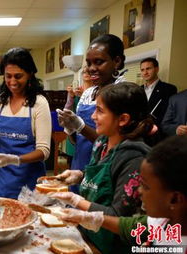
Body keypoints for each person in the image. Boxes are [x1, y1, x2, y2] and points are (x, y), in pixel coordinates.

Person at [50, 82, 152, 254]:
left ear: (123, 119)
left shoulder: (134, 158)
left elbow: (118, 217)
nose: (93, 117)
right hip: (88, 236)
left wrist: (77, 201)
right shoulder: (102, 142)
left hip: (110, 245)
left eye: (100, 111)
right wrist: (80, 175)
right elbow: (104, 176)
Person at [58, 136, 187, 250]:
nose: (139, 191)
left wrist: (78, 202)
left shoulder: (133, 157)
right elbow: (126, 226)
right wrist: (85, 217)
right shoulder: (159, 222)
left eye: (146, 187)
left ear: (175, 199)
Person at [0, 47, 51, 199]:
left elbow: (44, 151)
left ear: (30, 74)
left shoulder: (39, 103)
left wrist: (15, 159)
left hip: (29, 180)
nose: (12, 82)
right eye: (8, 76)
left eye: (18, 76)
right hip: (1, 181)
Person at [57, 34, 127, 184]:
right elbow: (78, 141)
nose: (91, 69)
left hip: (104, 168)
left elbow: (113, 145)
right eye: (89, 63)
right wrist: (70, 128)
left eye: (99, 62)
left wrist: (80, 126)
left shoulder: (124, 92)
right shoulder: (89, 92)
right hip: (80, 163)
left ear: (117, 61)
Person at [140, 57, 177, 140]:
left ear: (156, 69)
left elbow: (168, 114)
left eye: (148, 69)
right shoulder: (138, 89)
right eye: (142, 70)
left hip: (158, 135)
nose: (145, 72)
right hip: (139, 134)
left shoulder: (169, 89)